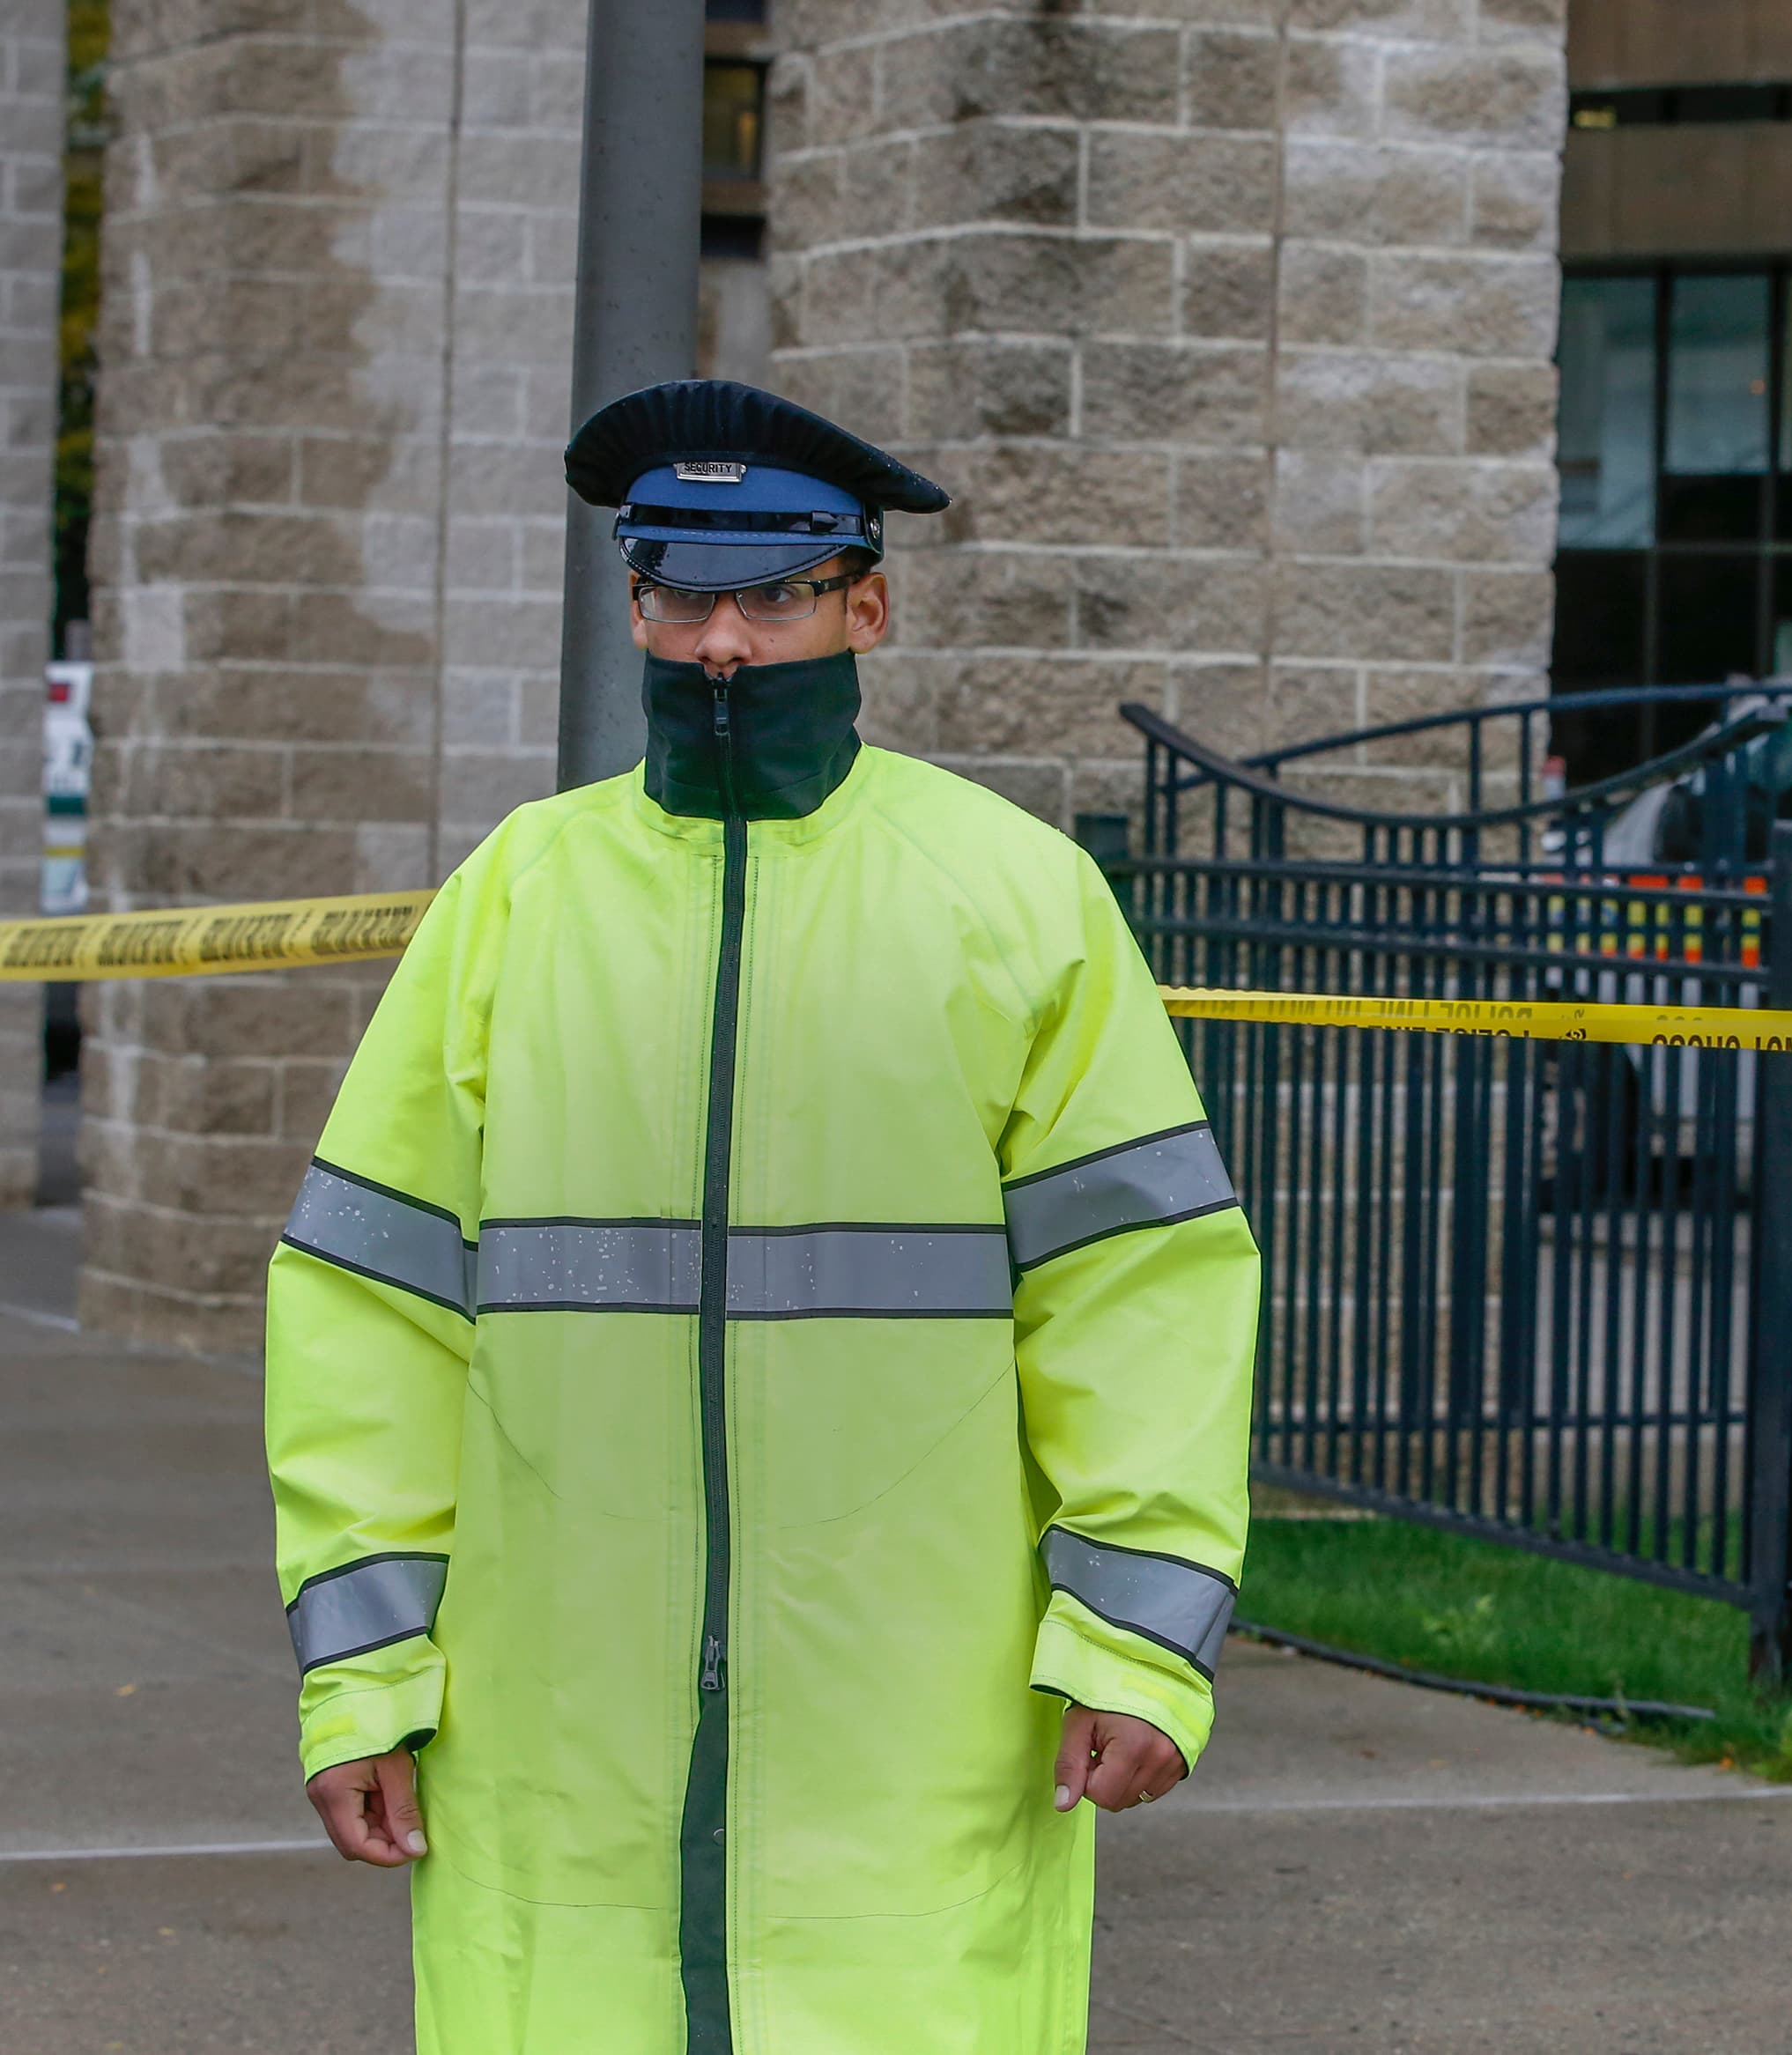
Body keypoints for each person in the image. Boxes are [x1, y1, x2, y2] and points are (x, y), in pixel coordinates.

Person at [264, 379, 1258, 2054]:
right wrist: (361, 1678)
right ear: (636, 600)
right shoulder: (515, 899)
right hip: (555, 1759)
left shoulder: (1018, 900)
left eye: (774, 593)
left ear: (866, 603)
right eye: (678, 591)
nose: (720, 640)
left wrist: (1140, 1643)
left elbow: (1143, 1289)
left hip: (911, 1757)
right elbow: (372, 1307)